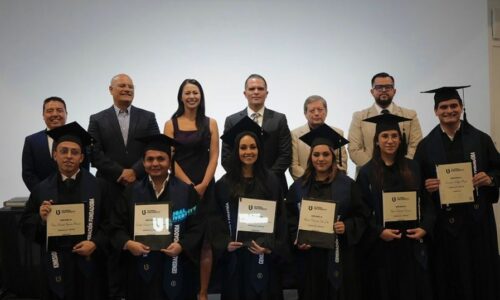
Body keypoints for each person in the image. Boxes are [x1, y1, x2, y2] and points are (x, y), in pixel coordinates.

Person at [414, 86, 499, 300]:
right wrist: (427, 186)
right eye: (443, 107)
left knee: (481, 275)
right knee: (448, 277)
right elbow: (417, 184)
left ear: (461, 108)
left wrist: (490, 179)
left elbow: (498, 168)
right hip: (444, 225)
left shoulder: (480, 139)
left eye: (454, 105)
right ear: (436, 111)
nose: (449, 110)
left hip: (477, 221)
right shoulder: (425, 146)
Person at [88, 73, 160, 299]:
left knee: (140, 239)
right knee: (112, 243)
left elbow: (155, 147)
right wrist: (120, 172)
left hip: (141, 188)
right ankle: (115, 293)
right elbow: (94, 154)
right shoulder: (97, 119)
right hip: (109, 188)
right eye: (121, 86)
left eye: (130, 86)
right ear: (111, 90)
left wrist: (135, 171)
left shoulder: (148, 117)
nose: (126, 89)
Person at [20, 122, 108, 300]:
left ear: (82, 158)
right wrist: (42, 219)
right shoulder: (41, 190)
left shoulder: (99, 186)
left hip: (91, 261)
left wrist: (96, 243)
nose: (69, 156)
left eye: (74, 152)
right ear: (55, 155)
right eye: (64, 151)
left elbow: (111, 222)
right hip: (56, 261)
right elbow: (25, 223)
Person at [109, 134, 203, 300]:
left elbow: (197, 226)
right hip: (140, 271)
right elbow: (116, 226)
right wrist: (128, 243)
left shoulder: (186, 191)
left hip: (177, 267)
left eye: (161, 158)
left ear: (169, 160)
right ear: (143, 162)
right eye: (150, 159)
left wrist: (182, 245)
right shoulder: (131, 191)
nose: (155, 164)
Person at [356, 113, 435, 300]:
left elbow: (427, 203)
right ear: (376, 141)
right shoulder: (366, 172)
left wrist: (425, 227)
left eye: (394, 136)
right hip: (382, 246)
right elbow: (361, 210)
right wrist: (377, 231)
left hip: (411, 243)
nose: (390, 141)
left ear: (401, 140)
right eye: (385, 136)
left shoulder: (413, 168)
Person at [287, 124, 369, 300]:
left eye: (326, 154)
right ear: (310, 157)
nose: (321, 159)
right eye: (316, 155)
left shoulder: (348, 185)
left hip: (340, 256)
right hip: (310, 258)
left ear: (333, 156)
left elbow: (362, 216)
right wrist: (297, 238)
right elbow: (289, 218)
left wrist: (346, 226)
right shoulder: (298, 187)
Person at [213, 116, 289, 300]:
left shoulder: (271, 181)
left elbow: (280, 218)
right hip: (236, 259)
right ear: (236, 151)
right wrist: (224, 243)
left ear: (259, 150)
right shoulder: (224, 184)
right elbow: (216, 218)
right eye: (243, 147)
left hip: (265, 257)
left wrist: (270, 247)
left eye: (253, 147)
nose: (248, 152)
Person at [163, 79, 219, 300]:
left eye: (195, 92)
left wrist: (203, 184)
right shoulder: (171, 124)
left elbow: (214, 156)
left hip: (206, 187)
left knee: (206, 242)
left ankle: (203, 293)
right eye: (187, 93)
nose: (192, 96)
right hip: (179, 188)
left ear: (201, 96)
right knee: (180, 235)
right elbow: (169, 158)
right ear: (181, 97)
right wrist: (188, 186)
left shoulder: (211, 123)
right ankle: (179, 287)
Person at [221, 74, 291, 193]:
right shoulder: (232, 121)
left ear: (266, 93)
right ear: (245, 93)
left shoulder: (279, 119)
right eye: (252, 89)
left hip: (273, 185)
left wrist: (267, 178)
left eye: (260, 89)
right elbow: (226, 157)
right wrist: (243, 178)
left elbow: (285, 155)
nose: (256, 92)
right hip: (240, 186)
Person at [348, 72, 422, 173]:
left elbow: (416, 146)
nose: (383, 90)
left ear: (394, 91)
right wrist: (377, 168)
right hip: (369, 176)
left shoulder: (410, 115)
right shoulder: (359, 117)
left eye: (388, 87)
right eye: (379, 87)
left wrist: (401, 166)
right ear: (372, 91)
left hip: (403, 174)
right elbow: (354, 149)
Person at [290, 95, 348, 180]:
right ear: (305, 114)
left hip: (333, 184)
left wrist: (328, 180)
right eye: (312, 111)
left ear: (326, 112)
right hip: (305, 184)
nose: (316, 113)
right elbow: (294, 165)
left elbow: (341, 163)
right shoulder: (295, 134)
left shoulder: (338, 133)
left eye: (320, 110)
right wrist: (313, 181)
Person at [22, 96, 67, 192]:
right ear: (43, 115)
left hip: (74, 198)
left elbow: (84, 170)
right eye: (50, 111)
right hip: (42, 200)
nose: (55, 114)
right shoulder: (31, 141)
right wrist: (42, 194)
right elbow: (28, 173)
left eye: (59, 110)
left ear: (66, 114)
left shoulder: (79, 138)